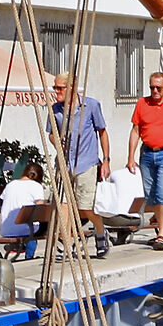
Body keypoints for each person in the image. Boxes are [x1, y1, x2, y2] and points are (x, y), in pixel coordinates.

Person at [49, 73, 113, 258]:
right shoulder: (55, 110)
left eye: (59, 88)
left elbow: (102, 132)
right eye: (55, 88)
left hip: (87, 163)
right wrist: (57, 142)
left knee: (86, 207)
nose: (56, 92)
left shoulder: (91, 106)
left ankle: (100, 231)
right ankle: (68, 244)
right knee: (63, 205)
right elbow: (51, 133)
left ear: (72, 88)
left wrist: (106, 160)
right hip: (64, 165)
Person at [127, 70, 163, 250]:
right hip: (147, 154)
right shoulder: (143, 103)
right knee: (152, 195)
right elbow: (136, 131)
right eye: (152, 87)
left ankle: (162, 234)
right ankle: (161, 226)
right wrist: (131, 157)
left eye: (159, 87)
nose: (155, 91)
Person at [0, 154, 50, 260]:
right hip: (26, 229)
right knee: (41, 224)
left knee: (29, 223)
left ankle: (17, 246)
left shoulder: (10, 184)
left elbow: (4, 200)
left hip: (6, 229)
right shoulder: (36, 186)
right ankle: (29, 256)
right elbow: (41, 209)